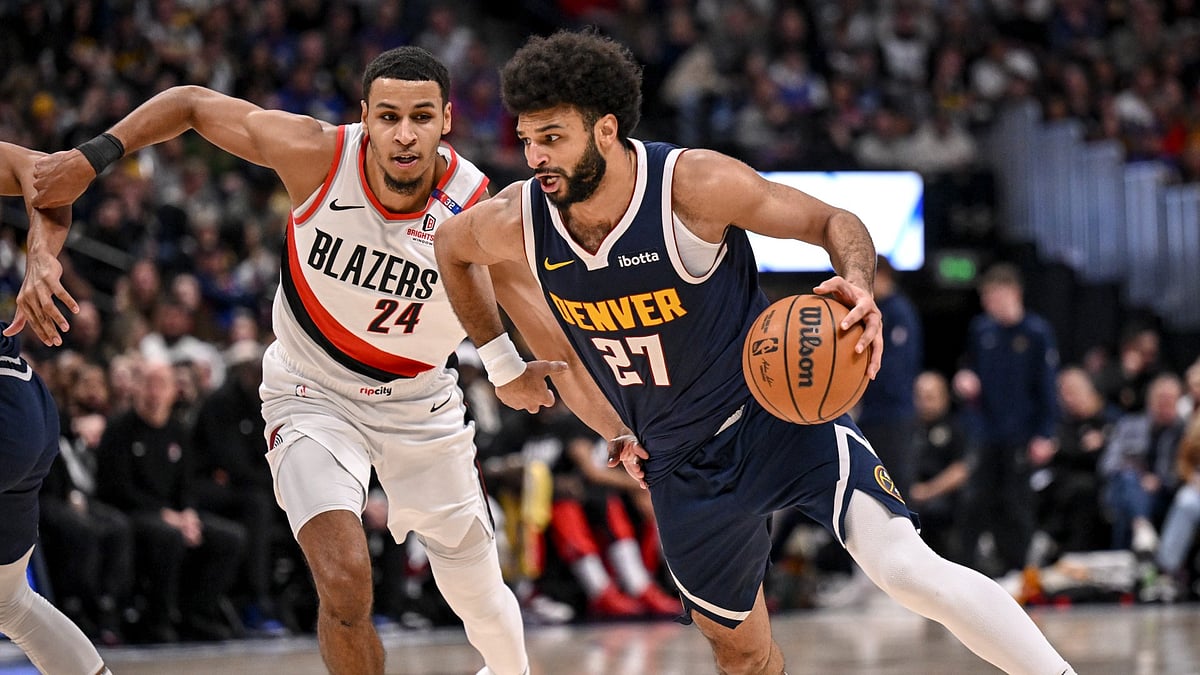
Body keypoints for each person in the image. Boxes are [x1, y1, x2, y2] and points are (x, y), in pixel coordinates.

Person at [434, 29, 1076, 675]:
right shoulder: (519, 218)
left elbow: (834, 221)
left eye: (552, 137)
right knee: (741, 655)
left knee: (908, 570)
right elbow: (451, 249)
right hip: (677, 458)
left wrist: (857, 283)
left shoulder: (692, 185)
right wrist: (503, 362)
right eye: (527, 139)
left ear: (605, 129)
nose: (536, 156)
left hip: (778, 415)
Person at [21, 45, 626, 675]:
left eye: (421, 117)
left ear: (447, 120)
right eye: (388, 117)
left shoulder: (476, 208)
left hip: (420, 402)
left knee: (476, 593)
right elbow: (192, 104)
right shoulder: (316, 155)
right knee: (343, 581)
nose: (404, 134)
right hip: (312, 392)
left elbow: (557, 340)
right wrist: (91, 158)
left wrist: (617, 429)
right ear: (365, 117)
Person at [0, 141, 110, 674]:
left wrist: (41, 257)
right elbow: (42, 174)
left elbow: (47, 174)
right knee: (10, 602)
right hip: (24, 403)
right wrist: (40, 257)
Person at [94, 358, 247, 643]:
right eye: (148, 384)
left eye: (161, 385)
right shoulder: (119, 429)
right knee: (169, 537)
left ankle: (198, 614)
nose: (154, 392)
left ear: (173, 391)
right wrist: (168, 515)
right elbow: (116, 489)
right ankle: (159, 619)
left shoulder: (178, 431)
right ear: (136, 388)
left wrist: (188, 513)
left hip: (173, 515)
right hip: (131, 513)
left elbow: (187, 483)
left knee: (230, 538)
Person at [953, 262, 1059, 576]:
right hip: (986, 431)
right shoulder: (982, 330)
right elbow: (968, 366)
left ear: (1014, 293)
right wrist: (965, 378)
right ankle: (966, 568)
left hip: (1021, 433)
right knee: (975, 500)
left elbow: (1047, 387)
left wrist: (1045, 433)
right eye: (986, 298)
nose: (989, 304)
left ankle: (1018, 569)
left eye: (994, 296)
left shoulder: (1036, 333)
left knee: (1015, 503)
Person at [854, 254, 923, 497]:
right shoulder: (876, 311)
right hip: (872, 412)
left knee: (896, 484)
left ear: (881, 276)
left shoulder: (898, 312)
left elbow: (895, 369)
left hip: (894, 414)